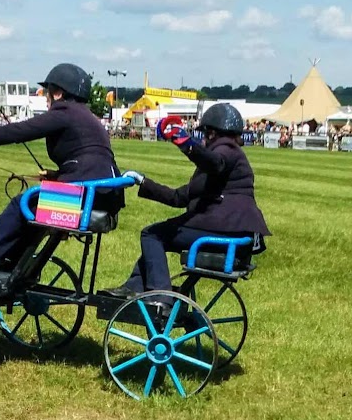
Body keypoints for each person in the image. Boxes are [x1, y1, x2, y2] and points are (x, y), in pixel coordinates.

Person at [0, 63, 122, 273]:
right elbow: (92, 158)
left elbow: (20, 131)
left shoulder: (65, 112)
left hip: (89, 194)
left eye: (48, 92)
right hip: (106, 195)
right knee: (36, 207)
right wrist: (61, 175)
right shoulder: (87, 117)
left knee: (25, 202)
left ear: (57, 93)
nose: (46, 97)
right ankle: (8, 260)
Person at [101, 103, 270, 297]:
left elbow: (214, 162)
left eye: (204, 134)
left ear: (212, 133)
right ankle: (134, 286)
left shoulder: (226, 149)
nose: (203, 140)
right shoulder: (228, 160)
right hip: (233, 232)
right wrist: (143, 182)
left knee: (152, 234)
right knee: (157, 235)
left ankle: (160, 296)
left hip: (225, 231)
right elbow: (179, 197)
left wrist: (183, 141)